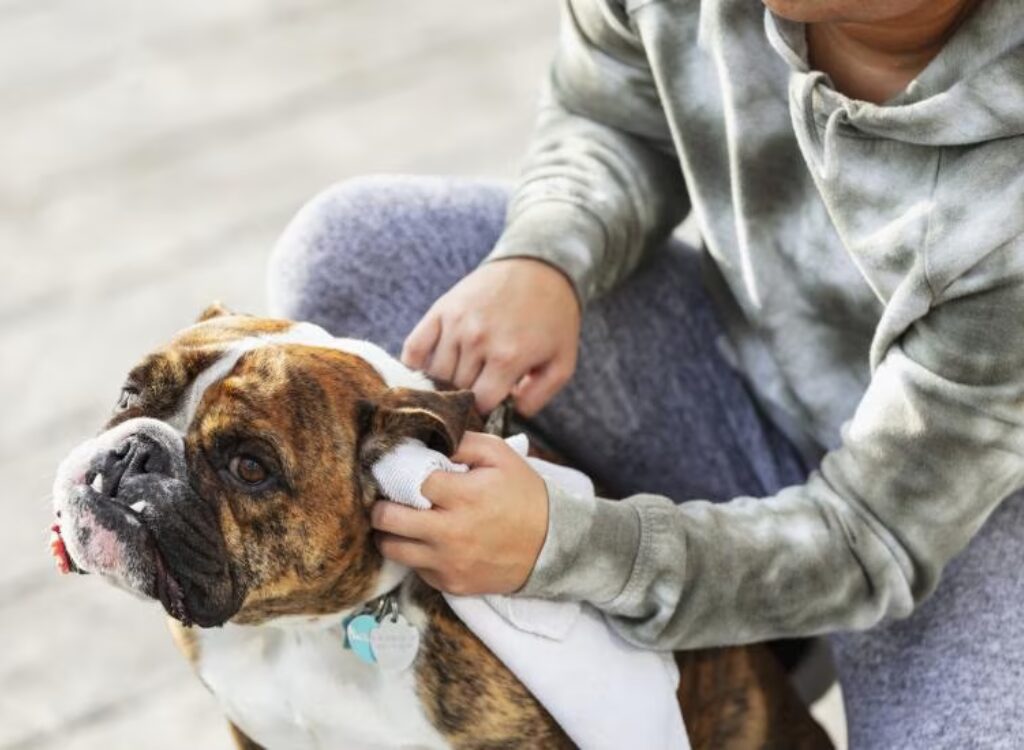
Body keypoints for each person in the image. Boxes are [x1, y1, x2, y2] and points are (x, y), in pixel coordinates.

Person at [268, 0, 1024, 745]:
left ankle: (736, 635)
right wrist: (552, 251)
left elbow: (869, 542)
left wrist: (566, 548)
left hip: (963, 511)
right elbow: (614, 107)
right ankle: (738, 646)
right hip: (750, 375)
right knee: (355, 257)